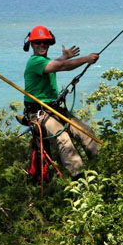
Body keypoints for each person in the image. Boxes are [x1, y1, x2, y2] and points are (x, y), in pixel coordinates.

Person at [23, 25, 100, 178]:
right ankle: (80, 180)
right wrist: (85, 59)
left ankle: (102, 167)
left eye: (45, 42)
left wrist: (64, 56)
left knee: (87, 134)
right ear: (31, 44)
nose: (42, 45)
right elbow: (61, 66)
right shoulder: (34, 62)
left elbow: (56, 63)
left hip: (53, 109)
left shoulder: (43, 61)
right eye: (38, 42)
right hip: (39, 113)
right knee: (63, 139)